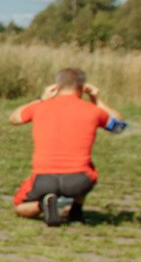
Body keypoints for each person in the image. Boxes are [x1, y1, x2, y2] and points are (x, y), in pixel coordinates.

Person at [11, 67, 125, 226]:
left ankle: (44, 205)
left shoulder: (40, 107)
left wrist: (41, 98)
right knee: (89, 167)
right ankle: (75, 211)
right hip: (79, 180)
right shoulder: (93, 111)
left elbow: (15, 117)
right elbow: (119, 126)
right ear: (83, 88)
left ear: (57, 87)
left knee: (20, 207)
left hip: (43, 178)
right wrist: (96, 100)